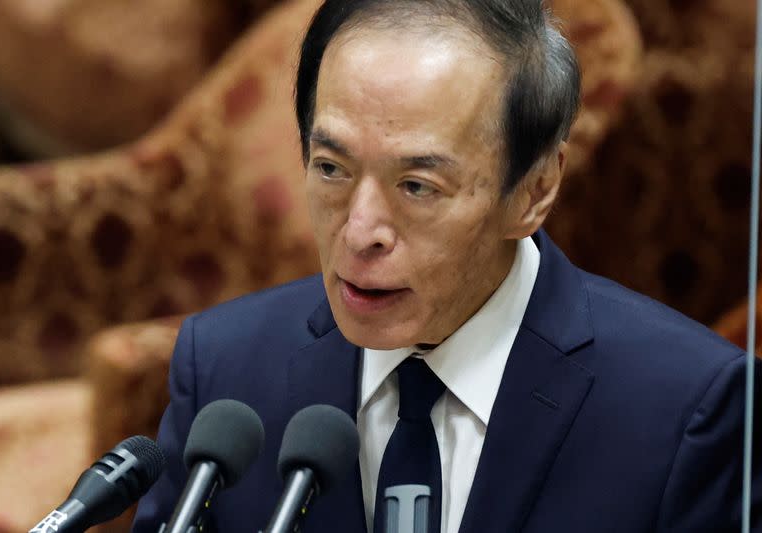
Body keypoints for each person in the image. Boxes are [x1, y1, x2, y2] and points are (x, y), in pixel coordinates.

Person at [132, 0, 761, 531]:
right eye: (331, 169)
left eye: (417, 186)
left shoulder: (689, 411)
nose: (360, 231)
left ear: (536, 190)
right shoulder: (224, 371)